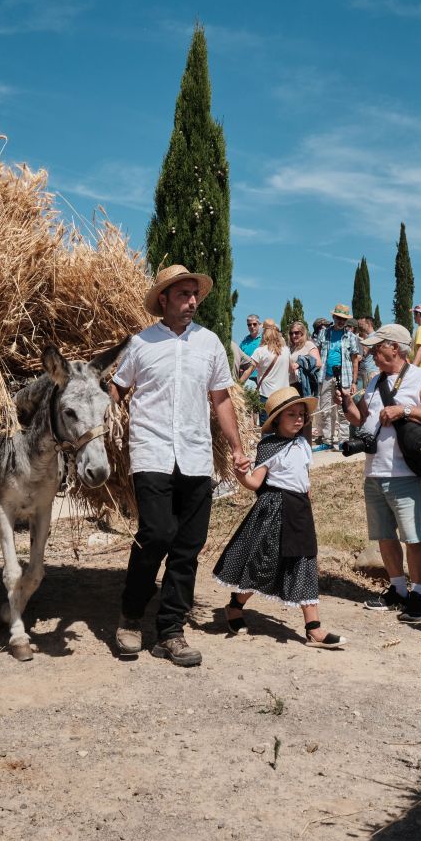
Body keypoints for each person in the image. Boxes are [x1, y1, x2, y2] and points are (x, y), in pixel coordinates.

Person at [108, 264, 247, 669]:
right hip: (151, 452)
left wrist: (237, 448)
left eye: (194, 295)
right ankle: (131, 617)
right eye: (183, 294)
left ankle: (170, 631)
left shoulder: (211, 344)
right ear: (164, 299)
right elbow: (117, 388)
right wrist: (93, 415)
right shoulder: (140, 343)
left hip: (196, 455)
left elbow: (220, 399)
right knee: (155, 533)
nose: (191, 302)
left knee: (187, 546)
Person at [211, 385, 341, 649]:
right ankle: (235, 606)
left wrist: (309, 506)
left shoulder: (304, 444)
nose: (298, 419)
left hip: (300, 511)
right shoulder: (269, 446)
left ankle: (313, 629)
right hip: (274, 511)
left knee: (305, 563)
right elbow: (255, 482)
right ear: (277, 420)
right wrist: (240, 473)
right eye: (291, 414)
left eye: (301, 414)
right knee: (264, 564)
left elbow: (305, 481)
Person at [338, 323, 421, 621]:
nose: (372, 352)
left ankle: (419, 594)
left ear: (395, 348)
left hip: (405, 473)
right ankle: (397, 589)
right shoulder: (374, 381)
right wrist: (347, 404)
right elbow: (360, 418)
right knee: (384, 536)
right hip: (373, 471)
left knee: (413, 537)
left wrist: (405, 411)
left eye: (377, 347)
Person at [315, 303, 360, 448]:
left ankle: (343, 440)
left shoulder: (351, 337)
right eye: (339, 318)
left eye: (344, 319)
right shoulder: (324, 333)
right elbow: (317, 352)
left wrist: (354, 382)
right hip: (326, 376)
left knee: (343, 409)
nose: (341, 321)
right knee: (326, 408)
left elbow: (355, 360)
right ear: (333, 317)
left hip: (345, 377)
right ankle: (327, 441)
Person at [241, 320, 288, 400]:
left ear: (264, 332)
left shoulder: (260, 351)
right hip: (283, 395)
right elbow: (290, 369)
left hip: (266, 395)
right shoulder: (286, 350)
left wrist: (237, 385)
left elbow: (249, 371)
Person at [287, 320, 322, 398]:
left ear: (302, 333)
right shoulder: (291, 348)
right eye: (291, 333)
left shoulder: (308, 345)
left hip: (304, 385)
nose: (293, 335)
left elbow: (318, 363)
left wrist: (300, 363)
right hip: (291, 385)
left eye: (296, 333)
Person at [233, 313, 263, 377]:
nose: (252, 326)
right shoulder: (244, 342)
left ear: (259, 325)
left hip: (259, 377)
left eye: (254, 324)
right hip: (246, 378)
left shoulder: (264, 340)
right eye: (249, 325)